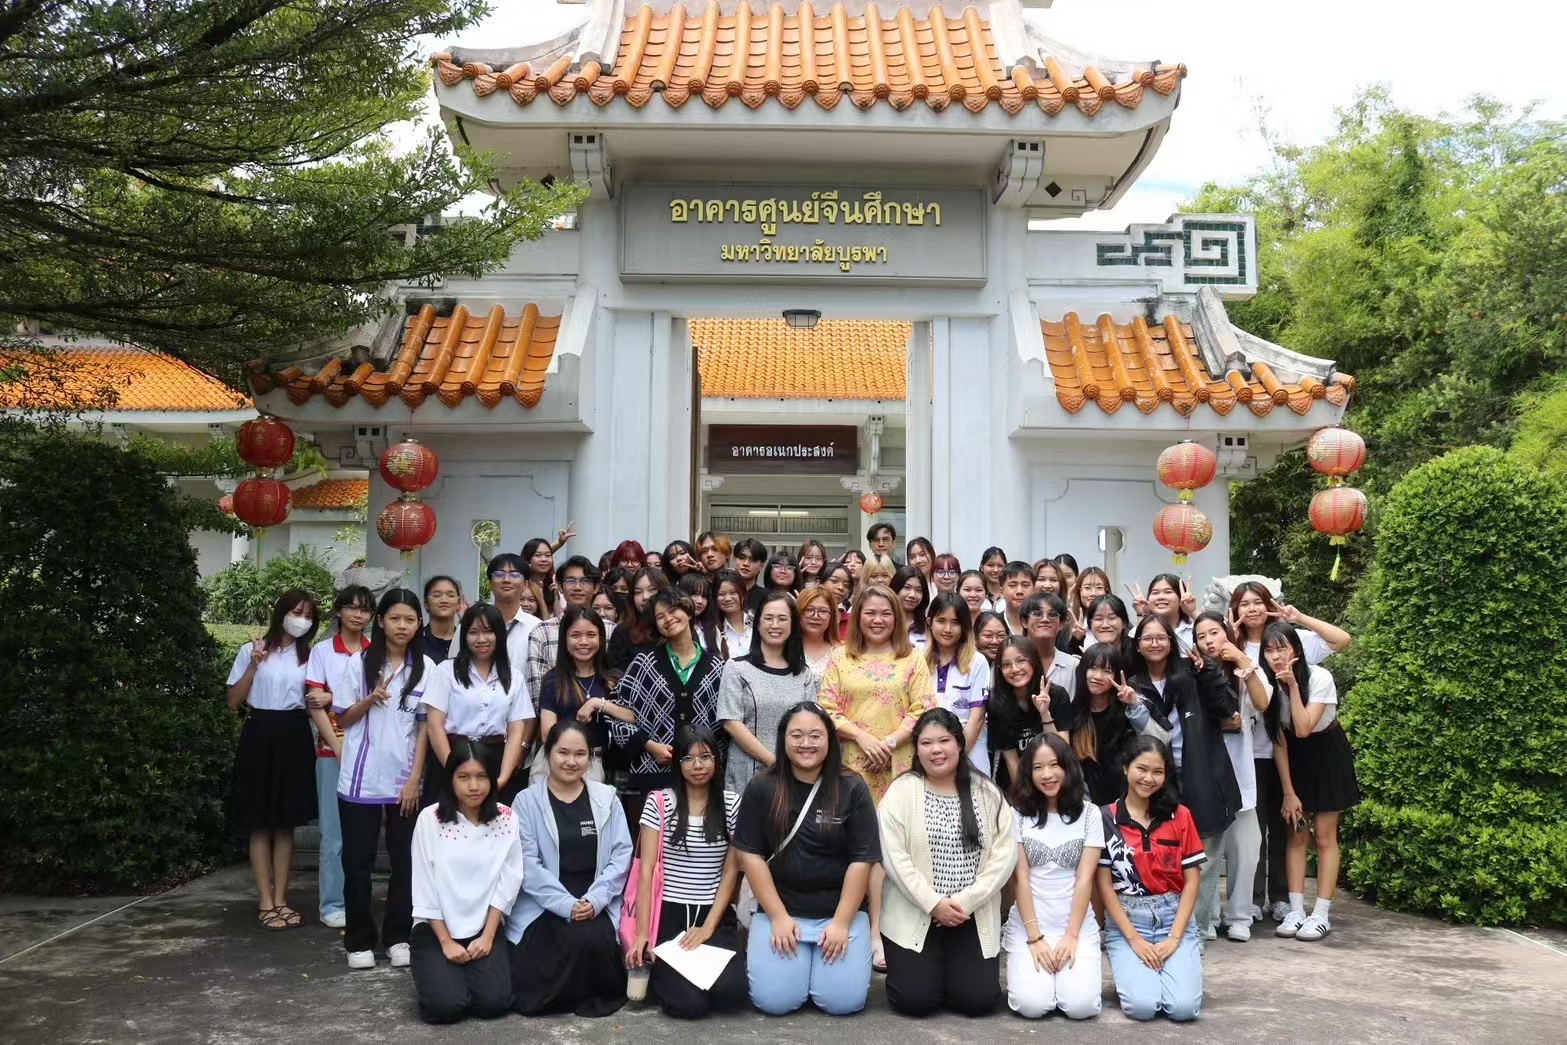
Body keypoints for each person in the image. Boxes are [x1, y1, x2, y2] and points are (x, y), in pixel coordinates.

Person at [733, 703, 880, 1016]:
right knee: (774, 1002)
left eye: (815, 735)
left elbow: (862, 860)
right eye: (796, 735)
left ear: (830, 739)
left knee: (843, 1003)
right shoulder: (762, 786)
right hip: (781, 911)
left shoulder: (852, 787)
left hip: (839, 913)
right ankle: (800, 971)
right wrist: (779, 917)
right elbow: (751, 856)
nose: (806, 743)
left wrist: (841, 922)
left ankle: (819, 971)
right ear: (783, 739)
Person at [818, 585, 935, 970]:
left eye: (886, 613)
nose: (878, 620)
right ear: (858, 617)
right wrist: (863, 737)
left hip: (897, 763)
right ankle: (848, 923)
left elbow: (924, 708)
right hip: (852, 764)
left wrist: (888, 741)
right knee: (855, 846)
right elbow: (826, 709)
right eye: (870, 612)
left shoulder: (912, 658)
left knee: (890, 848)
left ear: (896, 617)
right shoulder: (840, 657)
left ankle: (881, 932)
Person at [878, 709, 1017, 1017]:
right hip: (916, 912)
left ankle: (951, 976)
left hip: (970, 914)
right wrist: (933, 903)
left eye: (944, 741)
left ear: (959, 743)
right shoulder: (901, 791)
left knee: (977, 1001)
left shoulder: (987, 792)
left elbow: (1005, 856)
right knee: (914, 1001)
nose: (936, 750)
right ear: (916, 749)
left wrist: (965, 902)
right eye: (926, 743)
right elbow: (894, 858)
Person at [1228, 581, 1351, 923]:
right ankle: (1267, 903)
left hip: (1315, 750)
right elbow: (1279, 732)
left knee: (1308, 833)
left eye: (1258, 602)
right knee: (1265, 830)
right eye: (1244, 603)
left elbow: (1342, 640)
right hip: (1263, 750)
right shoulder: (1238, 648)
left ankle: (1300, 905)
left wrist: (1299, 618)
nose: (1251, 608)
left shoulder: (1300, 653)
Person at [333, 588, 436, 969]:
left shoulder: (427, 668)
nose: (402, 626)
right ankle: (359, 941)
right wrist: (369, 699)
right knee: (357, 862)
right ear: (381, 621)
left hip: (404, 781)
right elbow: (342, 718)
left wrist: (415, 779)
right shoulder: (358, 663)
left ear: (419, 624)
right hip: (359, 781)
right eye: (395, 618)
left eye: (409, 619)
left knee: (405, 862)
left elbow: (425, 729)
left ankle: (398, 937)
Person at [509, 721, 633, 1016]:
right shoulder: (525, 802)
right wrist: (567, 905)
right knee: (560, 941)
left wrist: (595, 900)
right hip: (545, 903)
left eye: (580, 754)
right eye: (563, 752)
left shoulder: (607, 798)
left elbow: (621, 856)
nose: (571, 761)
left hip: (596, 901)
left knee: (593, 938)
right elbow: (527, 865)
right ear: (547, 753)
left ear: (590, 758)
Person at [1130, 614, 1239, 943]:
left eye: (1161, 637)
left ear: (1172, 640)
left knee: (1204, 865)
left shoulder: (1194, 672)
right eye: (1147, 638)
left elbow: (1228, 709)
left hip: (1204, 777)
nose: (1154, 643)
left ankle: (1195, 935)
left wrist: (1209, 673)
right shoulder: (1133, 685)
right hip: (1159, 785)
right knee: (1164, 862)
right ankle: (1167, 931)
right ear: (1138, 645)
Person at [625, 726, 748, 1019]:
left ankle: (685, 979)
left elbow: (730, 871)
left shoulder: (731, 804)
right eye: (688, 758)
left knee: (733, 994)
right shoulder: (660, 802)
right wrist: (643, 933)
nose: (697, 766)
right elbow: (647, 871)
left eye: (705, 757)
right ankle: (669, 979)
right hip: (669, 914)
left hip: (713, 914)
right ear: (677, 762)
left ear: (716, 760)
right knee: (689, 1006)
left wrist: (708, 928)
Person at [409, 738, 522, 1024]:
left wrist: (488, 936)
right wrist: (446, 942)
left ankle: (461, 977)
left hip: (483, 926)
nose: (474, 786)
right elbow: (424, 885)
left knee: (494, 1004)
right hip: (436, 928)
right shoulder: (430, 819)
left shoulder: (506, 818)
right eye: (464, 777)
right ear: (450, 779)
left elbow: (508, 880)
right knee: (445, 1008)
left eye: (482, 776)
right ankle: (440, 976)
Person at [1260, 623, 1360, 942]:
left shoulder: (1319, 677)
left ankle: (1321, 914)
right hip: (1294, 757)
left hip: (1327, 753)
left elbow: (1304, 728)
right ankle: (1296, 910)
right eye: (1269, 650)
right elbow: (1280, 739)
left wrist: (1291, 685)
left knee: (1326, 837)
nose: (1276, 656)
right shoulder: (1266, 685)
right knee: (1296, 833)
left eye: (1282, 648)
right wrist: (1288, 792)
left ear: (1297, 650)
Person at [227, 590, 320, 931]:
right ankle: (265, 901)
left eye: (308, 616)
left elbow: (318, 698)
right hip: (259, 731)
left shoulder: (311, 656)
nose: (301, 620)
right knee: (259, 820)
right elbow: (233, 701)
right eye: (297, 612)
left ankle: (281, 898)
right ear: (281, 612)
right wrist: (254, 664)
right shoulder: (251, 650)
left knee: (286, 822)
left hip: (294, 732)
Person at [1097, 737, 1205, 1022]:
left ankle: (1178, 963)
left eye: (1157, 772)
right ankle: (1137, 972)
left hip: (1173, 917)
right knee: (1143, 1008)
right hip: (1128, 921)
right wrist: (1134, 940)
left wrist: (1175, 938)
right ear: (1126, 768)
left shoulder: (1180, 815)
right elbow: (1104, 885)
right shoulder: (1105, 818)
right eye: (1141, 769)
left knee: (1183, 1009)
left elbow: (1192, 881)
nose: (1148, 778)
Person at [1003, 734, 1105, 1020]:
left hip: (1075, 924)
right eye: (1038, 767)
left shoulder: (1090, 814)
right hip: (1030, 924)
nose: (1047, 774)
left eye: (1054, 765)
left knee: (1081, 1007)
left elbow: (1085, 879)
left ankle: (1067, 979)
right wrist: (1036, 938)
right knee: (1032, 1006)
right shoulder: (1017, 814)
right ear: (1028, 772)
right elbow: (1020, 878)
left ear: (1068, 767)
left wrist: (1071, 936)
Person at [1190, 611, 1272, 942]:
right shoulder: (1193, 673)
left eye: (1214, 632)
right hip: (1207, 772)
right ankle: (1207, 915)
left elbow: (1262, 702)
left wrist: (1241, 659)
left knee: (1246, 849)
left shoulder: (1245, 667)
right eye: (1201, 636)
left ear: (1228, 632)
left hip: (1240, 771)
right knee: (1206, 852)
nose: (1209, 641)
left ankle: (1239, 915)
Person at [611, 589, 727, 809]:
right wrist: (647, 745)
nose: (668, 618)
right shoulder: (644, 663)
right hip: (652, 775)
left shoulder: (716, 667)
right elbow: (615, 715)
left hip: (703, 777)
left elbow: (724, 726)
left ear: (689, 612)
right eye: (660, 616)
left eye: (673, 610)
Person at [304, 585, 374, 930]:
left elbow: (374, 700)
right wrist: (339, 747)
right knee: (333, 835)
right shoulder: (322, 651)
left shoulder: (375, 652)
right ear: (338, 611)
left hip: (370, 753)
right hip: (330, 751)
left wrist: (331, 696)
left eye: (365, 609)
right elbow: (313, 704)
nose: (358, 615)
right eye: (351, 608)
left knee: (363, 834)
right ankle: (332, 903)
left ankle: (358, 901)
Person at [421, 604, 537, 805]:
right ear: (464, 636)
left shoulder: (514, 677)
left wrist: (503, 778)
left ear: (499, 635)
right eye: (473, 632)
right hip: (452, 756)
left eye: (488, 631)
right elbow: (434, 725)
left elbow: (516, 730)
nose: (481, 639)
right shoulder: (446, 671)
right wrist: (454, 771)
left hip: (494, 761)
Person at [717, 590, 819, 794]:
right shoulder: (736, 668)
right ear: (757, 624)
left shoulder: (803, 674)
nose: (775, 625)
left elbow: (811, 723)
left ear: (793, 625)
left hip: (794, 773)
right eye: (768, 618)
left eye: (782, 619)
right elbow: (731, 723)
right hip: (747, 772)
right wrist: (773, 762)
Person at [535, 606, 633, 785]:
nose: (583, 642)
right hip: (561, 764)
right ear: (564, 638)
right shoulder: (553, 679)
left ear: (601, 638)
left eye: (591, 635)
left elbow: (634, 716)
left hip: (604, 764)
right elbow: (547, 733)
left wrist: (598, 704)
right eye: (575, 635)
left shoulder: (614, 678)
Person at [1066, 642, 1169, 805]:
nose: (1097, 676)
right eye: (1092, 668)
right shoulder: (1073, 712)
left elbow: (1160, 742)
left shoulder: (1132, 706)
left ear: (1117, 675)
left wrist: (1134, 706)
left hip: (1130, 802)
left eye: (1107, 671)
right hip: (1088, 806)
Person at [523, 556, 603, 721]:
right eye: (570, 581)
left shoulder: (610, 630)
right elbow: (537, 693)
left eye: (585, 581)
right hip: (555, 726)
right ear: (559, 586)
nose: (578, 587)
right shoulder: (541, 632)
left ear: (596, 587)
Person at [986, 636, 1070, 791]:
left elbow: (1062, 752)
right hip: (1018, 785)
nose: (1015, 669)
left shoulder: (1057, 695)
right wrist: (1027, 797)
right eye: (1006, 664)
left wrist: (1045, 714)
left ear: (1033, 661)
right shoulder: (997, 704)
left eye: (1021, 661)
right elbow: (1012, 762)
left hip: (1055, 780)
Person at [926, 593, 990, 774]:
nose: (948, 629)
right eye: (941, 621)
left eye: (955, 622)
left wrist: (955, 758)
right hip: (929, 753)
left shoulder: (977, 661)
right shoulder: (918, 660)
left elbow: (977, 719)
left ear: (964, 626)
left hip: (969, 752)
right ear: (930, 623)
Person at [486, 553, 543, 672]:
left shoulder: (537, 628)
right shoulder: (472, 625)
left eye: (515, 575)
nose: (506, 580)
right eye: (499, 574)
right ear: (490, 584)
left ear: (525, 585)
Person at [609, 566, 670, 671]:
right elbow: (617, 673)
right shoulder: (622, 632)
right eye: (638, 592)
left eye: (652, 590)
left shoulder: (677, 625)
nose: (645, 597)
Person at [1022, 592, 1080, 700]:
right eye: (1037, 614)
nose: (1045, 619)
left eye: (1052, 614)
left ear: (1061, 624)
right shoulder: (1012, 663)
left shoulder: (1073, 665)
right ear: (1024, 622)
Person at [795, 584, 840, 686]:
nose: (815, 616)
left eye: (823, 611)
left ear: (831, 616)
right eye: (809, 610)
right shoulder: (784, 649)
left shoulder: (841, 652)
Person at [422, 576, 463, 664]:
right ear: (426, 604)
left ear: (459, 603)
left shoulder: (466, 642)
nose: (444, 600)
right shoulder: (416, 641)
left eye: (450, 595)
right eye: (437, 595)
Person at [677, 571, 721, 652]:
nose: (700, 601)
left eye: (704, 596)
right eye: (694, 594)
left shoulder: (712, 628)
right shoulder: (675, 627)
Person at [521, 535, 564, 616]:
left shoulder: (554, 585)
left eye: (548, 555)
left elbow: (557, 620)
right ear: (528, 559)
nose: (544, 559)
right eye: (537, 555)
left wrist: (556, 596)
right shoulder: (519, 584)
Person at [1083, 593, 1135, 661]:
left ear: (1124, 623)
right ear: (1090, 625)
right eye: (1098, 619)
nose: (1105, 625)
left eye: (1112, 618)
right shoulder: (1087, 655)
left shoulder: (1137, 652)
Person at [713, 569, 752, 659]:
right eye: (721, 594)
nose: (728, 598)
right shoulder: (711, 630)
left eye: (733, 593)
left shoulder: (756, 622)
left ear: (743, 594)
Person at [890, 566, 930, 648]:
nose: (912, 595)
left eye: (918, 590)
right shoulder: (885, 623)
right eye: (907, 587)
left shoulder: (928, 626)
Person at [816, 560, 854, 637]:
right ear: (820, 582)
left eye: (846, 585)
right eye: (834, 581)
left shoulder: (852, 621)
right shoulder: (808, 616)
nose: (841, 588)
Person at [996, 561, 1035, 635]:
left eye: (1025, 585)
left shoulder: (1042, 623)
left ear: (1034, 590)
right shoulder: (993, 624)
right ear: (1001, 592)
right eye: (1012, 585)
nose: (1019, 591)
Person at [978, 547, 1007, 611]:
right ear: (982, 567)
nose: (995, 570)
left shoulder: (1009, 594)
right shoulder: (976, 593)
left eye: (1000, 566)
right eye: (990, 565)